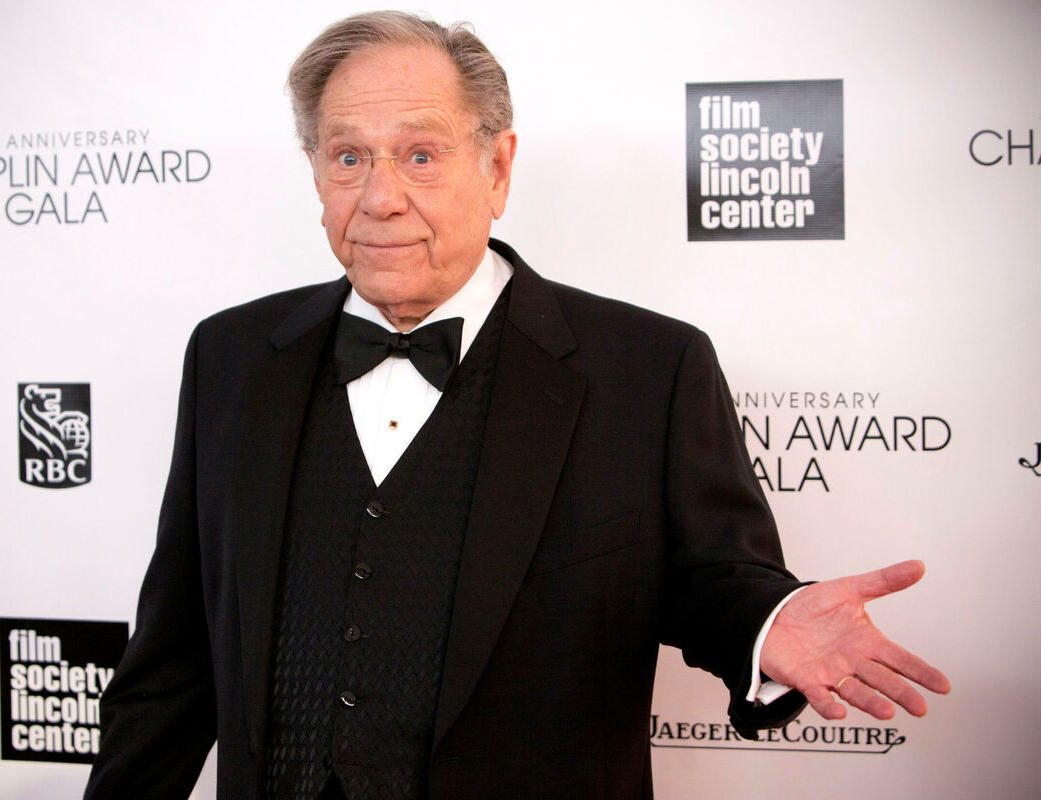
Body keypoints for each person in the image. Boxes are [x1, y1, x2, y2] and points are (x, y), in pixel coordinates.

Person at [84, 11, 949, 800]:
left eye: (420, 155)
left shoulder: (649, 368)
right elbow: (173, 660)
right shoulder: (232, 357)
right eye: (348, 157)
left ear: (496, 168)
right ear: (316, 172)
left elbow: (716, 583)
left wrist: (767, 623)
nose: (380, 197)